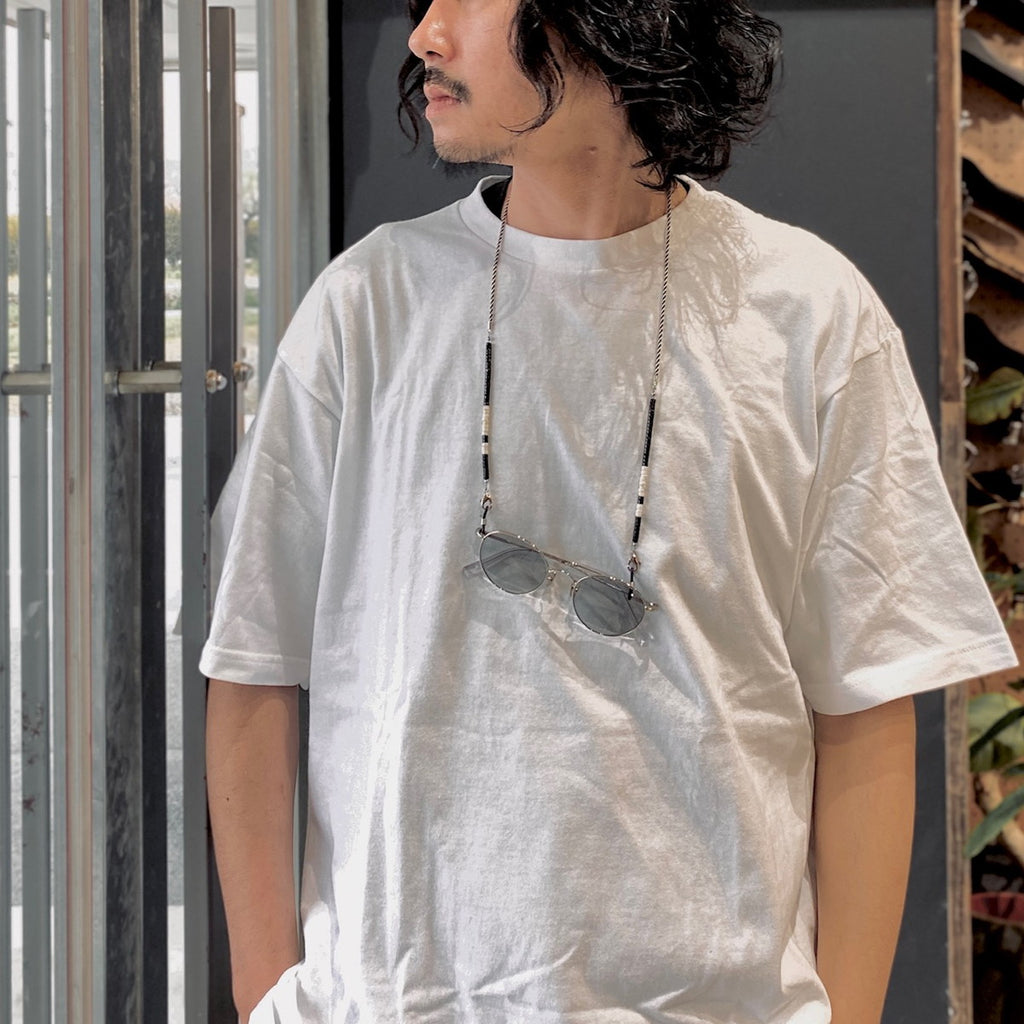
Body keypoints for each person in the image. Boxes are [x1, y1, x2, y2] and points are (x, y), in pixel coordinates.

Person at [201, 2, 1018, 1022]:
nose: (424, 36)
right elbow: (254, 657)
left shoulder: (809, 313)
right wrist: (265, 997)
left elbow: (866, 693)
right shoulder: (368, 305)